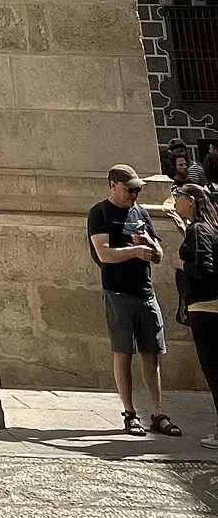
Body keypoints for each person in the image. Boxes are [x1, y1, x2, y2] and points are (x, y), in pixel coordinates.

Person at [86, 163, 181, 435]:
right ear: (113, 185)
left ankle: (158, 412)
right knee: (124, 352)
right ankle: (129, 412)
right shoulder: (100, 213)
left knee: (151, 354)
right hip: (118, 292)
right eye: (130, 189)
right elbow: (104, 254)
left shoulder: (140, 213)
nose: (134, 194)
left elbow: (159, 254)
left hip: (145, 291)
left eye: (138, 190)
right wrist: (135, 250)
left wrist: (151, 247)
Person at [173, 181, 218, 448]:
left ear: (190, 200)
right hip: (209, 308)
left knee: (214, 371)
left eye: (177, 196)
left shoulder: (200, 229)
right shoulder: (204, 228)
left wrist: (179, 263)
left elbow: (204, 269)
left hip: (206, 309)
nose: (175, 201)